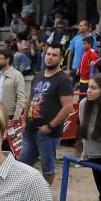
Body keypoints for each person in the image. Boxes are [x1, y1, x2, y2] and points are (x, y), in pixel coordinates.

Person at [19, 45, 75, 185]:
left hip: (48, 133)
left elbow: (68, 107)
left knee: (47, 168)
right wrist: (24, 120)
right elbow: (30, 98)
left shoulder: (63, 80)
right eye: (48, 54)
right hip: (30, 130)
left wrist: (50, 126)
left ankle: (44, 197)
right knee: (22, 165)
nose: (50, 57)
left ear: (61, 58)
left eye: (54, 55)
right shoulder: (38, 75)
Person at [0, 48, 27, 123]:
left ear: (8, 60)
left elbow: (21, 97)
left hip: (10, 115)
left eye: (0, 58)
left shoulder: (17, 75)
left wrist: (17, 116)